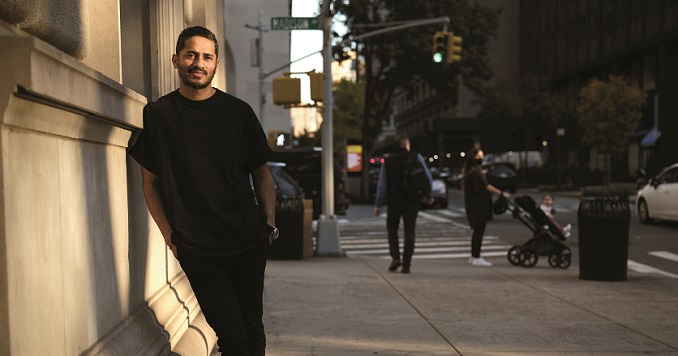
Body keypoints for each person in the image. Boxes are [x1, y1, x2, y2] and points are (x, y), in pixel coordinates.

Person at [129, 26, 276, 355]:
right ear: (176, 60)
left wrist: (269, 223)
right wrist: (172, 238)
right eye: (191, 55)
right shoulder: (158, 115)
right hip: (199, 250)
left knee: (252, 327)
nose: (199, 62)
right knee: (233, 335)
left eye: (207, 56)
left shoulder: (238, 113)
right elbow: (149, 182)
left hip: (248, 242)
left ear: (216, 64)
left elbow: (262, 175)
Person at [373, 134, 433, 274]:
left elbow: (382, 186)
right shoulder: (415, 156)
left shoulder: (388, 161)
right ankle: (407, 264)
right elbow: (427, 176)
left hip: (395, 199)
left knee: (392, 228)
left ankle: (395, 257)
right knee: (409, 230)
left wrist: (378, 205)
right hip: (412, 199)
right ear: (407, 145)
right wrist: (429, 195)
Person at [461, 148, 510, 267]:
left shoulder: (468, 173)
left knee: (477, 232)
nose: (481, 159)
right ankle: (476, 257)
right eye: (479, 157)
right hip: (479, 206)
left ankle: (474, 256)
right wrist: (502, 193)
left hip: (472, 206)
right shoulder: (477, 173)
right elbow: (487, 186)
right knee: (479, 232)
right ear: (474, 158)